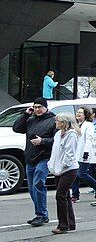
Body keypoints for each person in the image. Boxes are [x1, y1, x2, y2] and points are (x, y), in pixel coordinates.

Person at [13, 97, 56, 227]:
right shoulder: (30, 120)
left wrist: (42, 141)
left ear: (46, 108)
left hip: (44, 157)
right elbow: (16, 128)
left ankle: (42, 215)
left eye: (40, 107)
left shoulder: (53, 121)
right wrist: (26, 113)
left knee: (38, 183)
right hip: (30, 157)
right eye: (35, 107)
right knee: (32, 188)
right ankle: (39, 214)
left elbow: (57, 140)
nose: (37, 109)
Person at [48, 113, 81, 234]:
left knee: (60, 195)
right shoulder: (58, 134)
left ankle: (63, 225)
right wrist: (51, 165)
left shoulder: (71, 135)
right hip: (58, 168)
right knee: (65, 195)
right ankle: (70, 223)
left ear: (64, 123)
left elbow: (70, 154)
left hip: (68, 169)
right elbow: (55, 151)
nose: (55, 122)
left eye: (57, 121)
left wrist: (62, 165)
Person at [71, 107, 96, 202]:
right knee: (74, 174)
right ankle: (75, 195)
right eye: (77, 112)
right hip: (75, 154)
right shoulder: (76, 125)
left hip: (84, 153)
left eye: (80, 113)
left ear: (85, 115)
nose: (78, 114)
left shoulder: (88, 125)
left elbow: (89, 139)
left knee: (82, 174)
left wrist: (86, 152)